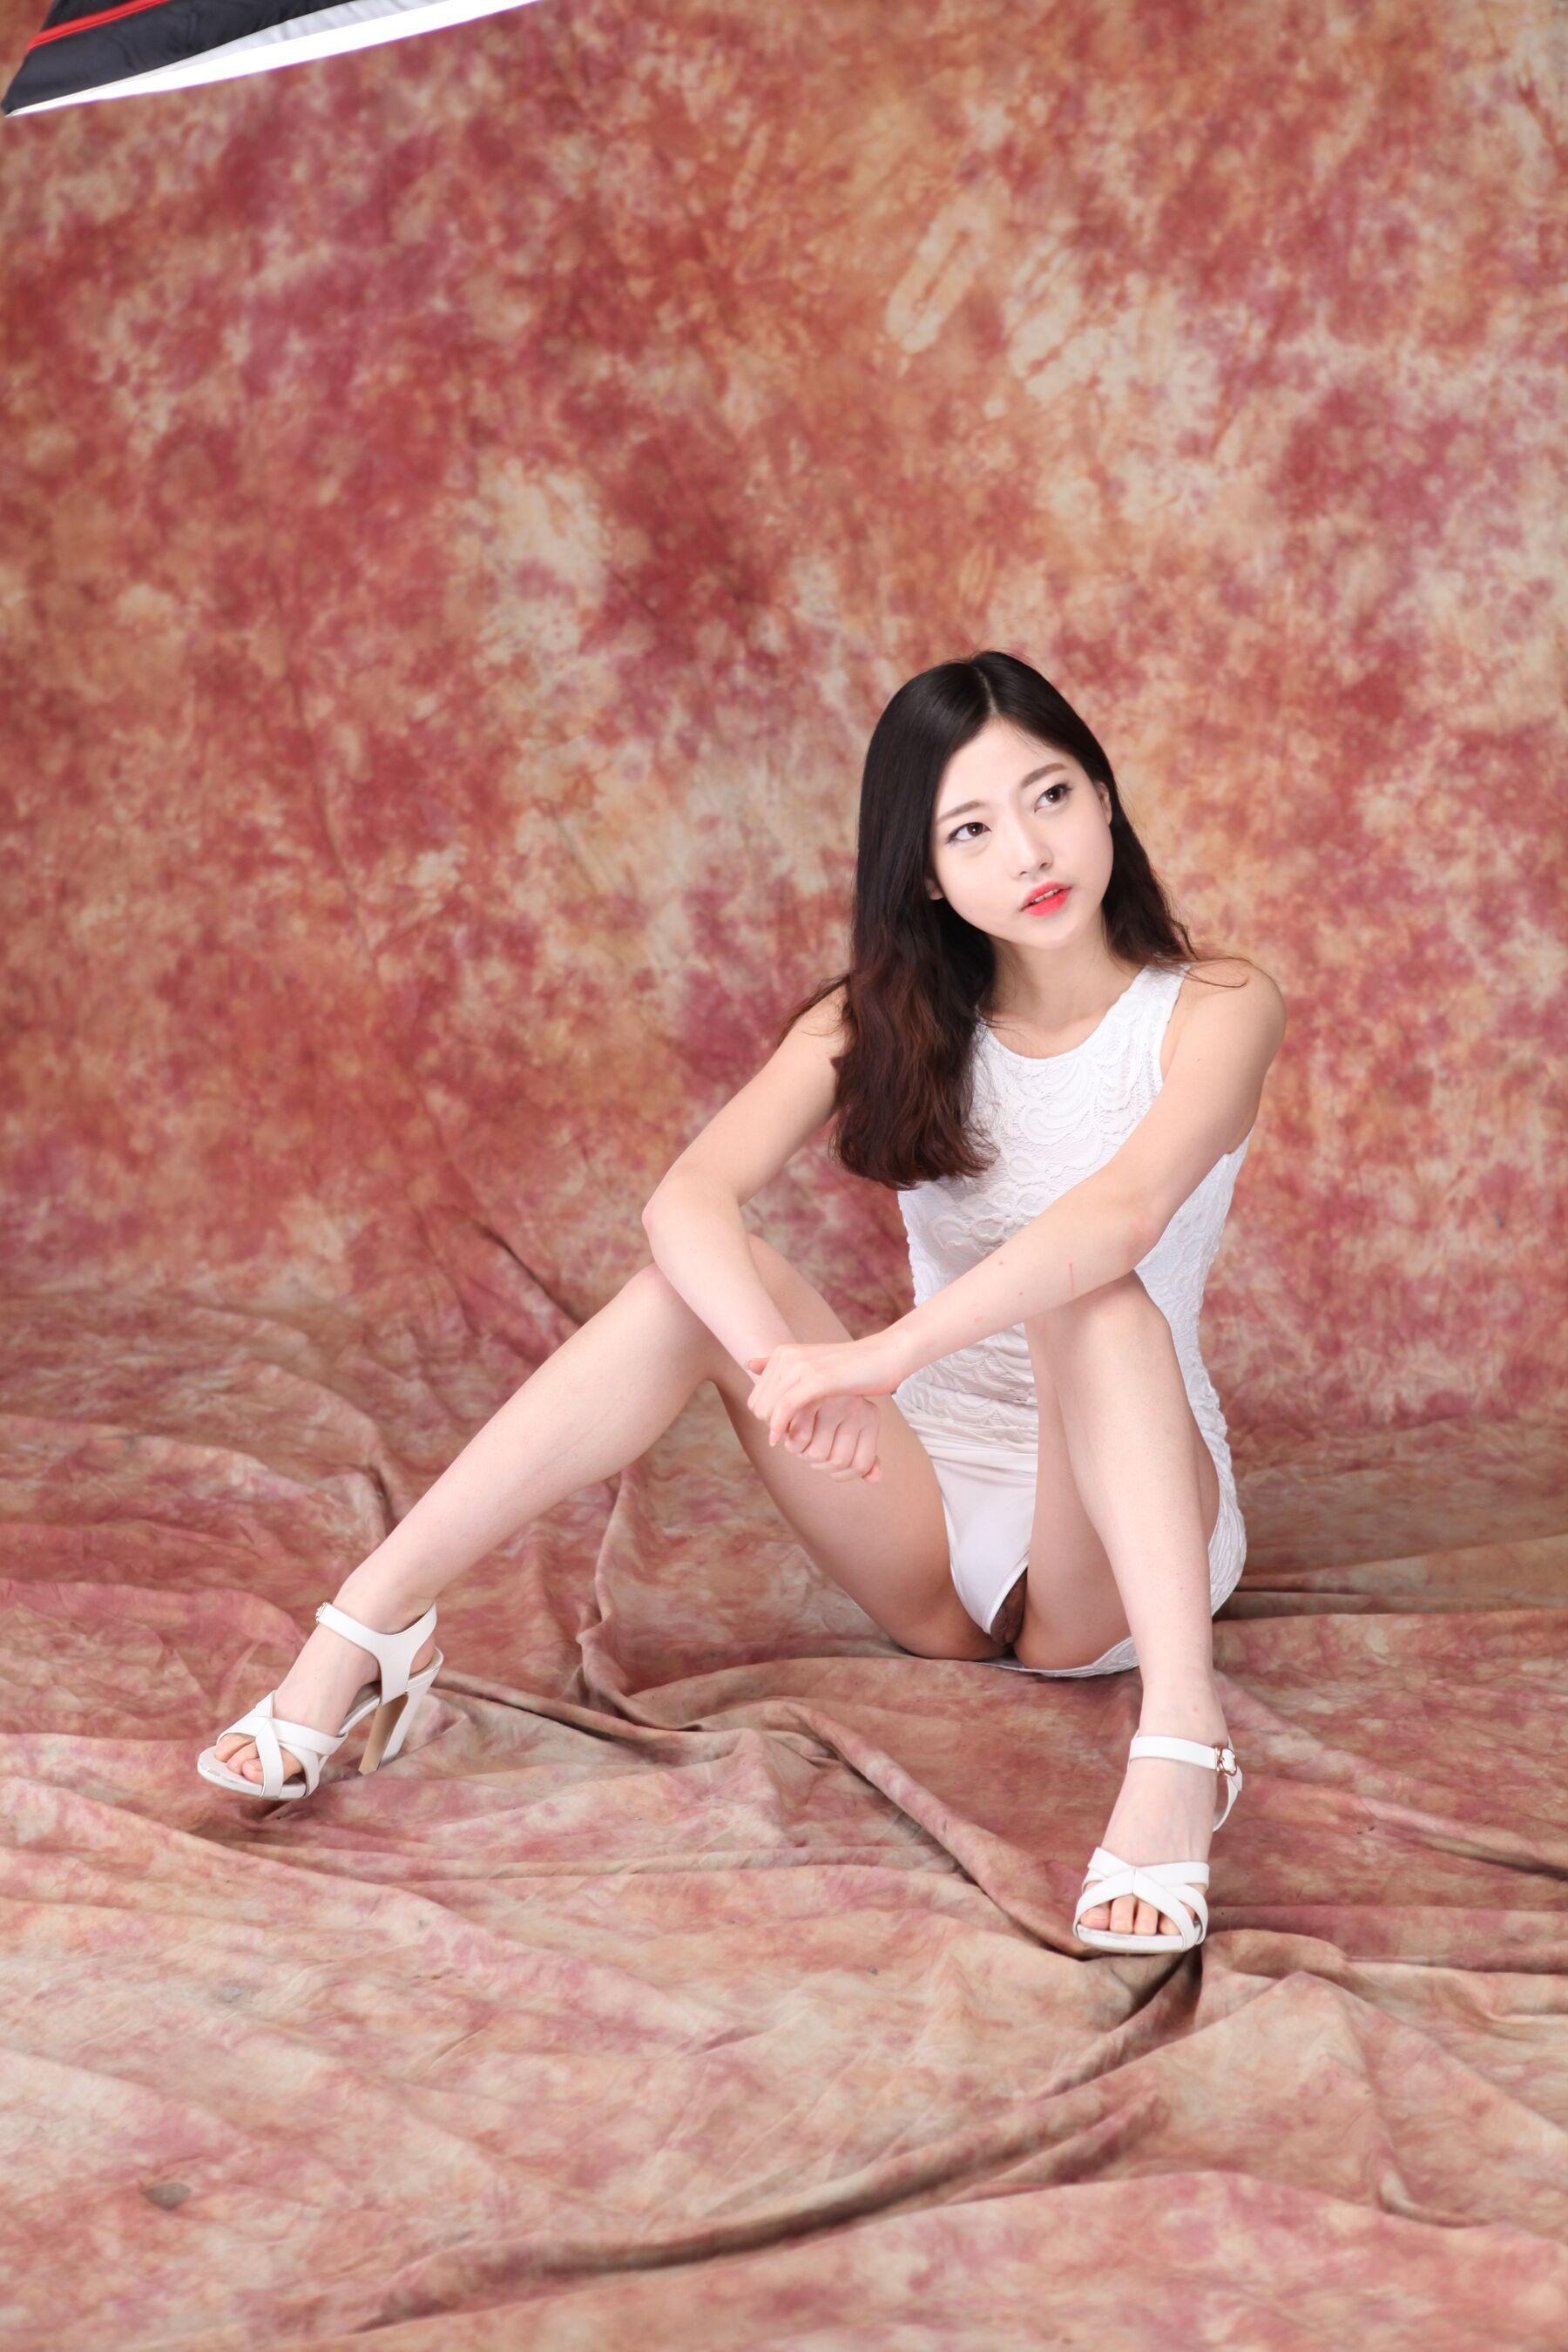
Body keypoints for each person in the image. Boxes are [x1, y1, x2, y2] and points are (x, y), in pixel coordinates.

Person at [198, 649, 1285, 1955]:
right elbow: (686, 1199)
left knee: (1092, 1294)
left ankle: (1182, 1742)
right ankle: (371, 1622)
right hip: (930, 1515)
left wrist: (876, 1360)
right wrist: (786, 1367)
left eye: (1052, 796)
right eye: (972, 830)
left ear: (1104, 797)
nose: (1031, 851)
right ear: (924, 873)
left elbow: (1117, 1219)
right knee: (690, 1289)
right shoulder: (878, 1018)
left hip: (1127, 1525)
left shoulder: (1215, 1005)